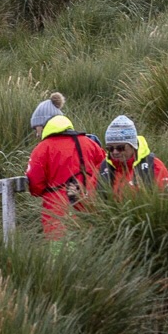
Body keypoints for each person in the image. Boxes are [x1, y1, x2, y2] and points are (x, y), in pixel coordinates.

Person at [24, 91, 105, 240]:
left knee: (59, 256)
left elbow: (35, 185)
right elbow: (106, 170)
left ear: (44, 124)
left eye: (37, 128)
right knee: (89, 252)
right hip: (91, 211)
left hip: (57, 214)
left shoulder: (42, 149)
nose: (36, 134)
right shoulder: (90, 143)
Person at [98, 115, 168, 196]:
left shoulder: (153, 166)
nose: (115, 152)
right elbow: (90, 201)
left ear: (133, 146)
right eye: (110, 148)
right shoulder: (103, 167)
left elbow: (167, 200)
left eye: (120, 148)